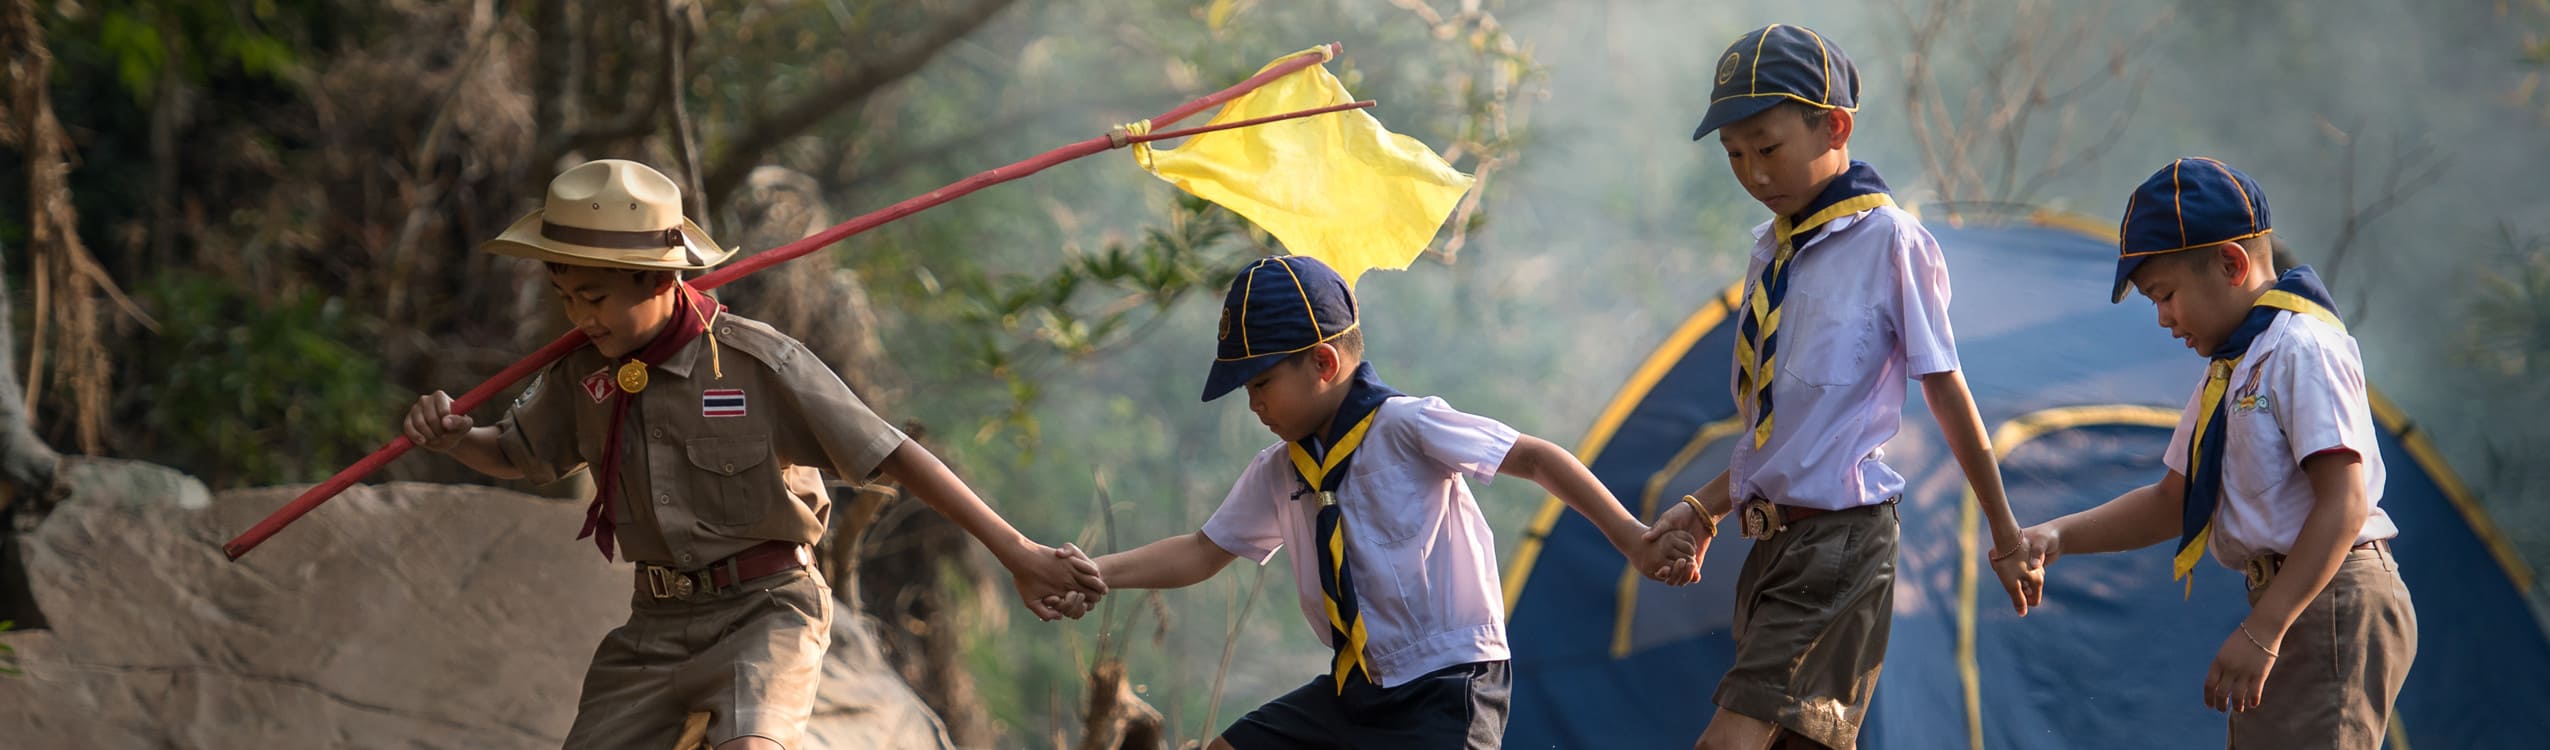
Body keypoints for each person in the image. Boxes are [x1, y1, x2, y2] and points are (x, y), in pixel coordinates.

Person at [401, 158, 1103, 749]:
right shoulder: (581, 376)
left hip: (763, 612)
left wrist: (1017, 551)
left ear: (660, 277)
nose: (581, 317)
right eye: (565, 297)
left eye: (595, 296)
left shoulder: (758, 362)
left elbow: (890, 453)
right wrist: (457, 438)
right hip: (653, 626)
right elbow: (519, 454)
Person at [1647, 24, 2039, 750]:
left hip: (1840, 542)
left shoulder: (1890, 242)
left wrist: (2004, 527)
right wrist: (1705, 509)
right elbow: (1789, 428)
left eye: (1768, 148)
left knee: (1728, 741)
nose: (1755, 174)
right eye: (1735, 156)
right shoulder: (1773, 252)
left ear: (1835, 125)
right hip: (1771, 547)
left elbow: (1947, 391)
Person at [2016, 157, 2415, 747]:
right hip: (2292, 599)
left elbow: (2345, 503)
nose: (2162, 318)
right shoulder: (2231, 370)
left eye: (2166, 294)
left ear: (2230, 263)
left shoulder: (2301, 346)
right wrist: (2059, 536)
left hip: (2330, 598)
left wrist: (2264, 629)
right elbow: (2173, 500)